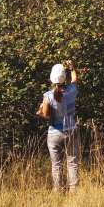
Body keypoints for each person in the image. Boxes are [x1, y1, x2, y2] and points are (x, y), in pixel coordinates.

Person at [36, 60, 80, 192]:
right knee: (72, 162)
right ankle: (73, 192)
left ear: (51, 79)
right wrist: (72, 68)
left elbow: (45, 115)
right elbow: (75, 80)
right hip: (71, 130)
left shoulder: (48, 96)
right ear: (64, 78)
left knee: (56, 164)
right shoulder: (72, 90)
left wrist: (39, 112)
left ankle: (58, 191)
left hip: (54, 132)